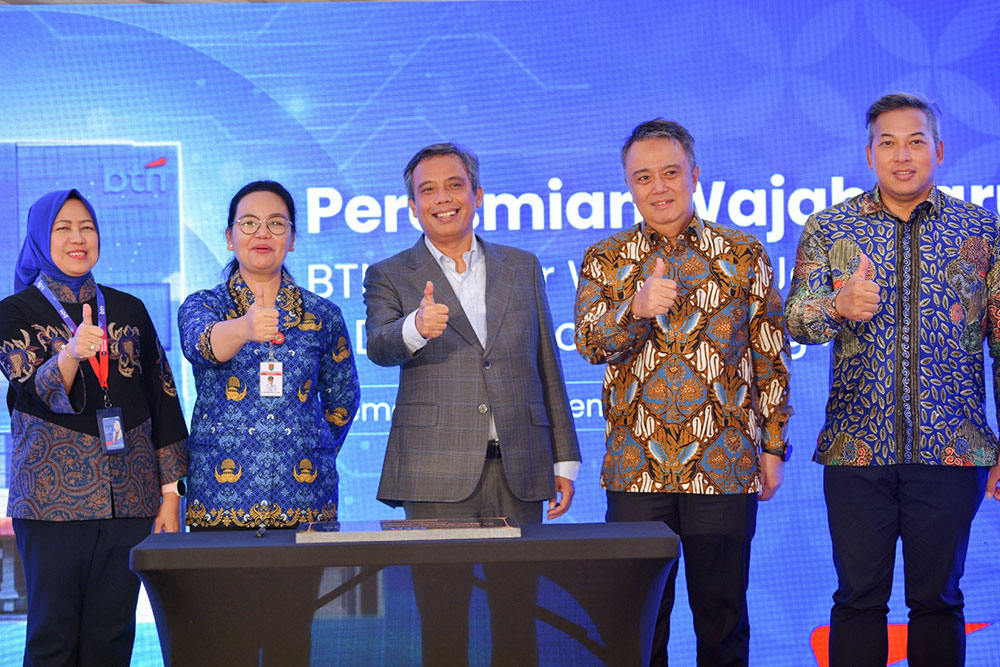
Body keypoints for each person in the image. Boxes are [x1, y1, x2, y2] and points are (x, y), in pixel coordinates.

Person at [785, 92, 1000, 667]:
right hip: (857, 448)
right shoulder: (830, 227)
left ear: (939, 150)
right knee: (858, 600)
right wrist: (836, 306)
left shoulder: (982, 231)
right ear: (869, 154)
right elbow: (796, 321)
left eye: (915, 142)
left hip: (953, 448)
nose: (902, 156)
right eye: (888, 143)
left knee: (939, 601)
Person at [574, 119, 792, 666]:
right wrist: (635, 309)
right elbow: (590, 345)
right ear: (629, 185)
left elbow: (769, 356)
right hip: (636, 468)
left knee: (722, 619)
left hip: (724, 462)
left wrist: (773, 446)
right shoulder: (605, 258)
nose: (659, 187)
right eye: (643, 177)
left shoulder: (743, 253)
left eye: (670, 172)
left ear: (695, 175)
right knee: (638, 621)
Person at [363, 142, 581, 665]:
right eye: (428, 190)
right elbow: (378, 345)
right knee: (442, 623)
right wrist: (416, 327)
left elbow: (546, 361)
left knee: (518, 620)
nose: (443, 198)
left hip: (520, 469)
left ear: (477, 194)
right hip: (434, 474)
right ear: (412, 205)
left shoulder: (521, 266)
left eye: (454, 185)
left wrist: (564, 459)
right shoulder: (389, 273)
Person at [0, 189, 188, 666]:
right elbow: (31, 389)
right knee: (53, 639)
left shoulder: (129, 309)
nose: (78, 238)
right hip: (51, 504)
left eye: (87, 227)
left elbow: (163, 397)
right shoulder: (14, 312)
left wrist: (170, 494)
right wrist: (70, 353)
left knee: (112, 638)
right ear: (40, 239)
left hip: (130, 497)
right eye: (63, 228)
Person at [179, 180, 360, 530]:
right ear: (229, 237)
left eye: (276, 223)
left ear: (292, 239)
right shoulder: (203, 305)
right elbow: (199, 345)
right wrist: (244, 328)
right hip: (220, 497)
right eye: (249, 223)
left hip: (305, 497)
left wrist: (308, 445)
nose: (262, 232)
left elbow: (343, 400)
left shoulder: (323, 314)